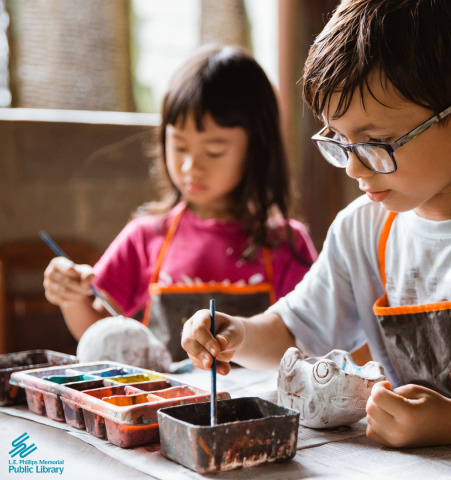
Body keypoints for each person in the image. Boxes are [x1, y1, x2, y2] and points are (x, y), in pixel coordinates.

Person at [181, 0, 451, 448]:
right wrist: (236, 334)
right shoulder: (363, 231)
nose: (354, 169)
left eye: (377, 143)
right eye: (340, 140)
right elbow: (296, 330)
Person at [43, 45, 317, 362]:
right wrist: (70, 296)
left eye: (213, 151)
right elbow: (99, 331)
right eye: (179, 146)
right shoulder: (145, 236)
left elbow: (310, 338)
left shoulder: (286, 244)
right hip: (160, 408)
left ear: (257, 148)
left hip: (258, 409)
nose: (190, 167)